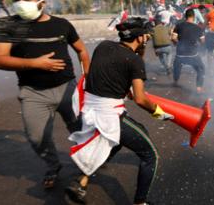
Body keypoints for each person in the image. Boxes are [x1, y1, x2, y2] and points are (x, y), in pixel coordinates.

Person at [0, 0, 90, 189]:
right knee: (36, 137)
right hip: (33, 92)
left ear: (41, 2)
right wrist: (36, 63)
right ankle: (53, 165)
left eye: (26, 0)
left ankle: (88, 164)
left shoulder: (61, 24)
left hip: (67, 88)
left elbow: (81, 50)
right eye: (16, 0)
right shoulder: (7, 26)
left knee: (80, 128)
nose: (19, 4)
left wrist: (87, 77)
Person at [66, 17, 173, 205]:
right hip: (109, 115)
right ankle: (141, 202)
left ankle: (81, 181)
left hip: (90, 109)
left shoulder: (103, 46)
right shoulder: (134, 61)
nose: (147, 38)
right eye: (145, 35)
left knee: (117, 142)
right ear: (139, 38)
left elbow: (110, 72)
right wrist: (158, 112)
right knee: (150, 155)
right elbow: (140, 99)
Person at [172, 9, 205, 93]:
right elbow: (202, 41)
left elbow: (173, 38)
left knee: (177, 67)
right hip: (192, 55)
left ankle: (175, 81)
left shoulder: (178, 26)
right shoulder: (198, 28)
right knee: (201, 68)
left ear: (185, 16)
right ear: (194, 17)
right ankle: (199, 87)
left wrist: (178, 44)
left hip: (180, 54)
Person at [150, 11, 173, 75]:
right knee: (170, 53)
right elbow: (170, 32)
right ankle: (168, 65)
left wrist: (155, 50)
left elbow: (153, 40)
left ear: (155, 23)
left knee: (161, 58)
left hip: (158, 48)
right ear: (161, 22)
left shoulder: (153, 29)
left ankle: (166, 66)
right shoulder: (166, 27)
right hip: (167, 46)